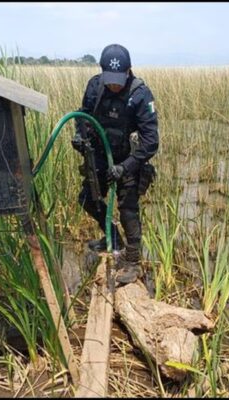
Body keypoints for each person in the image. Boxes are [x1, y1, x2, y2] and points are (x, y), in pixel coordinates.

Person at [71, 44, 159, 284]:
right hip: (99, 155)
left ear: (129, 71)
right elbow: (83, 117)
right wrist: (80, 137)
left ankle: (132, 261)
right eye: (110, 80)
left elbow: (151, 142)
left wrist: (125, 167)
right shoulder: (94, 87)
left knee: (128, 209)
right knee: (88, 199)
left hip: (128, 160)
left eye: (118, 80)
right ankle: (112, 238)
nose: (114, 86)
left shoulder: (140, 94)